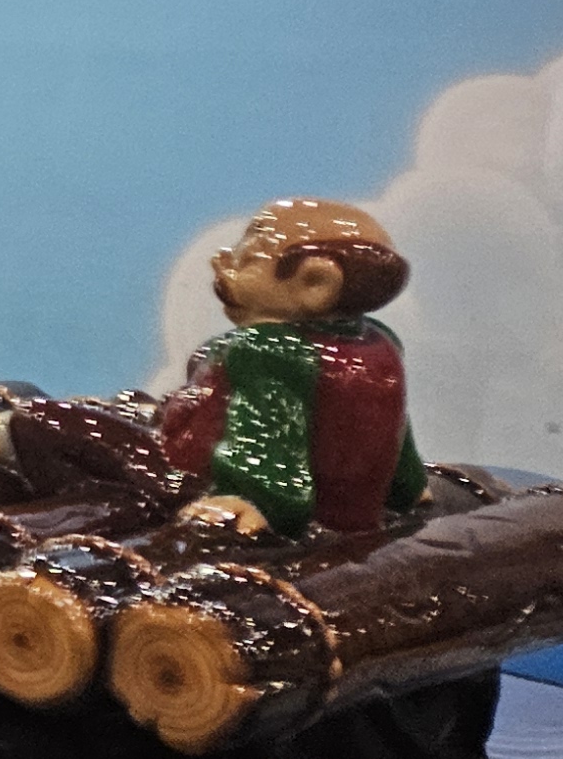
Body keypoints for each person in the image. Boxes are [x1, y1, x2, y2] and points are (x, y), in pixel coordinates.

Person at [159, 197, 429, 540]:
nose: (221, 262)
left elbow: (266, 439)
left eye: (248, 260)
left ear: (316, 283)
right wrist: (410, 487)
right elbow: (395, 436)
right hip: (356, 516)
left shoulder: (268, 348)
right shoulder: (382, 341)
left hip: (225, 492)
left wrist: (257, 501)